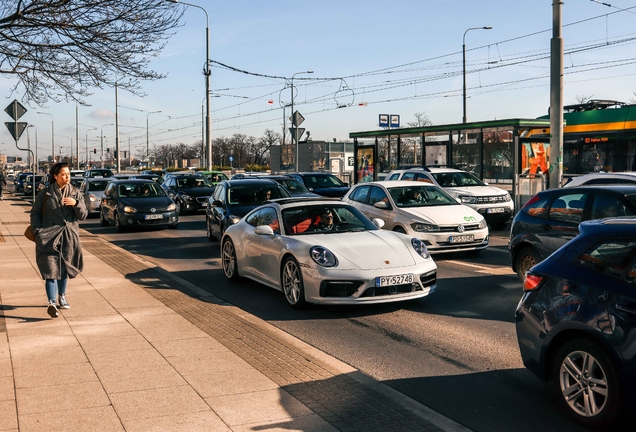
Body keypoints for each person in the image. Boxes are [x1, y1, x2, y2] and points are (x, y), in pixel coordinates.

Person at [30, 162, 88, 318]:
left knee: (64, 269)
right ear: (55, 176)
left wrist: (75, 204)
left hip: (68, 237)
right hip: (48, 237)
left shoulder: (75, 193)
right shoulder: (46, 193)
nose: (67, 176)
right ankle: (51, 302)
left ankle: (61, 296)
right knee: (50, 271)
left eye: (68, 174)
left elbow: (83, 215)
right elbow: (34, 213)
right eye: (63, 174)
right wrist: (38, 231)